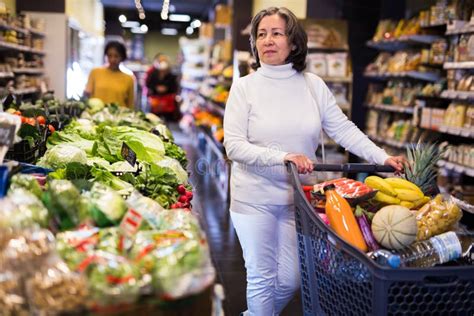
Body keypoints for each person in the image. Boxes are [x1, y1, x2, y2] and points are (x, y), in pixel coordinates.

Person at [223, 7, 406, 316]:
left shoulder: (313, 86)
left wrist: (382, 157)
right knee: (261, 276)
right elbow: (234, 146)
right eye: (261, 34)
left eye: (276, 33)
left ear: (294, 42)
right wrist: (284, 157)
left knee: (293, 278)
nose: (267, 40)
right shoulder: (244, 87)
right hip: (253, 197)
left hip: (299, 199)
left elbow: (344, 129)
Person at [84, 41, 134, 108]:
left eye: (116, 56)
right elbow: (87, 94)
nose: (112, 59)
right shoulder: (95, 72)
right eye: (109, 55)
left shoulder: (129, 79)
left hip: (119, 116)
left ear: (122, 57)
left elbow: (130, 105)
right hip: (97, 116)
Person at [145, 53, 179, 120]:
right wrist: (156, 88)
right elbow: (148, 84)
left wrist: (166, 88)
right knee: (154, 119)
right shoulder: (152, 73)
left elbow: (175, 88)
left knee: (168, 121)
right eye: (160, 61)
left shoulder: (172, 74)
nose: (162, 62)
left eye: (164, 60)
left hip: (167, 104)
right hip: (155, 102)